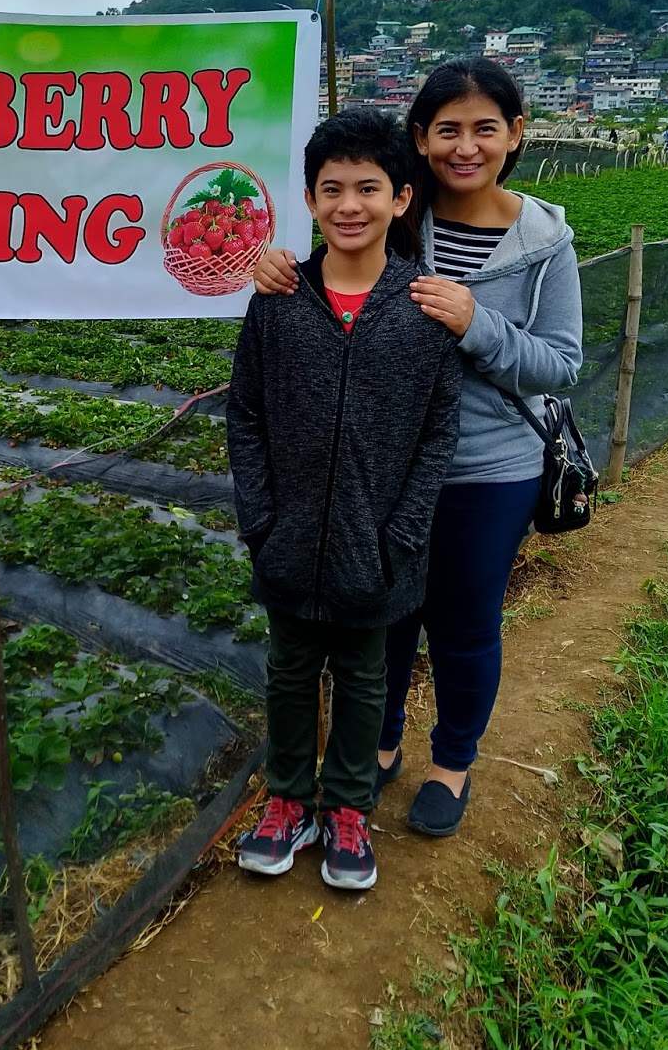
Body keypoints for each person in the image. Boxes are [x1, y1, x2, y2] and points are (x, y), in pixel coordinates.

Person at [249, 58, 584, 837]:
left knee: (464, 621)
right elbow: (335, 251)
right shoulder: (401, 210)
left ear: (515, 135)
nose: (465, 147)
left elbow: (563, 362)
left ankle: (452, 763)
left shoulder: (545, 241)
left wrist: (477, 322)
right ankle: (383, 738)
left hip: (487, 468)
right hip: (383, 466)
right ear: (421, 142)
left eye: (484, 129)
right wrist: (272, 264)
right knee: (386, 618)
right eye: (447, 130)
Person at [229, 108, 461, 888]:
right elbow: (247, 413)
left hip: (379, 544)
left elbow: (437, 434)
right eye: (332, 189)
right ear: (310, 199)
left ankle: (349, 806)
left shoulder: (423, 309)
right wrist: (260, 518)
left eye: (369, 187)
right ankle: (289, 798)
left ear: (401, 198)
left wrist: (401, 536)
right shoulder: (279, 298)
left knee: (366, 677)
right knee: (289, 671)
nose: (349, 204)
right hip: (288, 535)